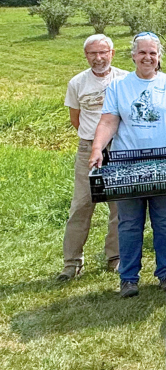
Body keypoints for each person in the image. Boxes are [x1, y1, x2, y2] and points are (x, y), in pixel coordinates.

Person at [89, 33, 166, 298]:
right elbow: (108, 121)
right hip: (127, 163)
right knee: (129, 223)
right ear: (133, 56)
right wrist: (97, 149)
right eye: (142, 53)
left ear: (159, 57)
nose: (147, 58)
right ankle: (128, 278)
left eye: (152, 53)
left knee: (164, 221)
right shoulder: (119, 86)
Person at [58, 34, 129, 282]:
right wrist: (92, 141)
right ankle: (71, 263)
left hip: (119, 149)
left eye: (103, 52)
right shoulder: (77, 83)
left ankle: (115, 257)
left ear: (112, 53)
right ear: (85, 55)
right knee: (81, 206)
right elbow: (75, 119)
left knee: (119, 207)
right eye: (92, 54)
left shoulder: (125, 79)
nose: (98, 58)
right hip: (88, 149)